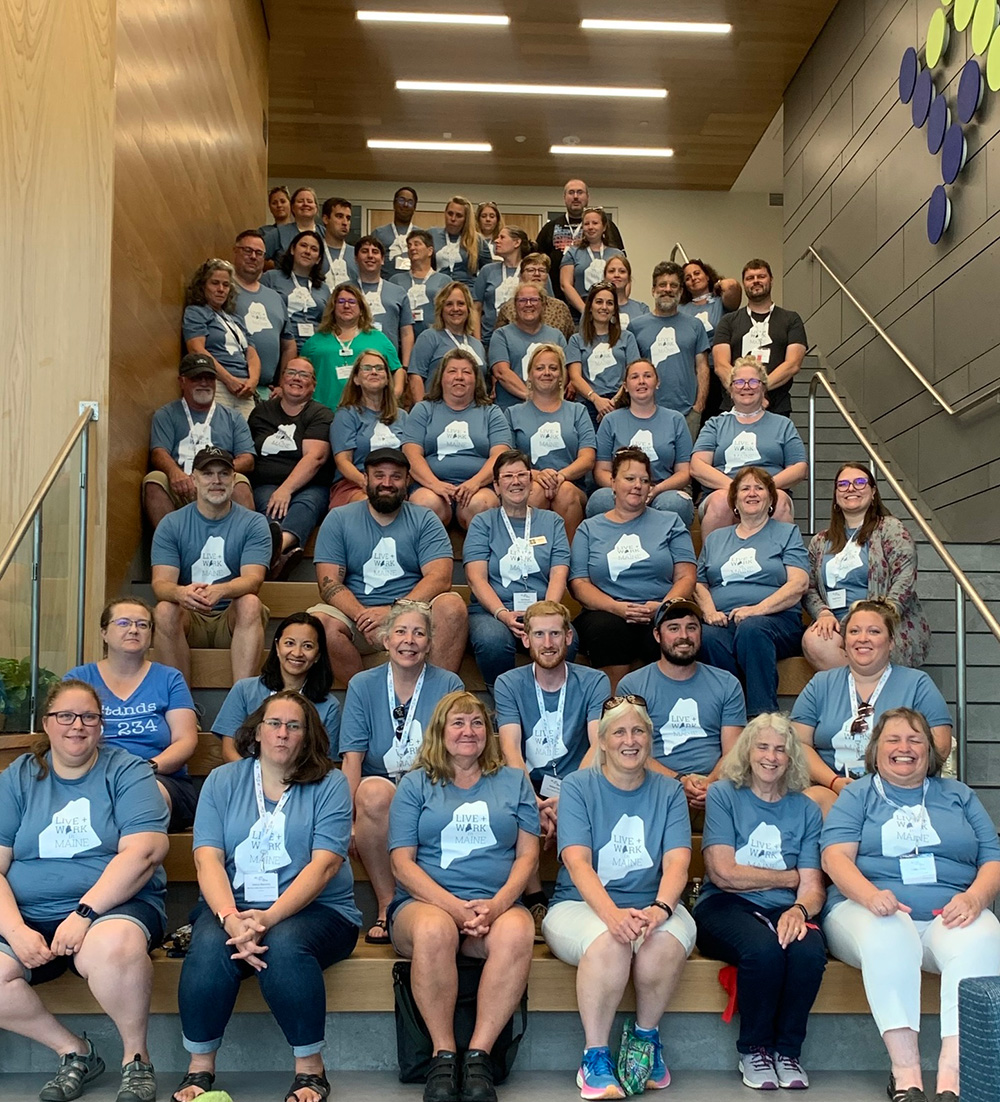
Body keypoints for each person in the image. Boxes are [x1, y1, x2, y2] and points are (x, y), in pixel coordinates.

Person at [171, 692, 360, 1102]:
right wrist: (229, 917)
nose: (283, 733)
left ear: (308, 737)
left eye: (295, 726)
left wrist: (266, 920)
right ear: (256, 731)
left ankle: (310, 1068)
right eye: (274, 723)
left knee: (285, 944)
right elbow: (207, 860)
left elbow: (325, 865)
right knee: (207, 943)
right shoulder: (223, 781)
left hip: (321, 910)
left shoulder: (330, 783)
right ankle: (200, 1067)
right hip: (233, 907)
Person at [0, 679, 168, 1102]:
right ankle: (75, 1052)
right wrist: (16, 930)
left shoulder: (126, 770)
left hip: (111, 907)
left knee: (114, 947)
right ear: (47, 723)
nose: (77, 726)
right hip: (29, 916)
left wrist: (85, 913)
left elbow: (145, 851)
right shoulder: (19, 776)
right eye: (66, 716)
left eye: (89, 717)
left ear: (101, 725)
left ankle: (136, 1060)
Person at [821, 707, 1000, 1102]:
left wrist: (974, 897)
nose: (905, 748)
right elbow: (835, 857)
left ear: (931, 751)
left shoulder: (959, 795)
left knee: (985, 933)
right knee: (890, 930)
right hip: (866, 909)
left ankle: (955, 1074)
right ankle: (906, 1073)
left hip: (946, 913)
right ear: (876, 749)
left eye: (915, 739)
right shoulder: (857, 794)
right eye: (894, 740)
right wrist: (870, 895)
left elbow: (993, 858)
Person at [387, 690, 539, 1102]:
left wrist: (499, 904)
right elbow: (402, 863)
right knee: (436, 930)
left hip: (496, 905)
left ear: (488, 734)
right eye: (458, 722)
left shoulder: (513, 781)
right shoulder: (414, 783)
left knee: (517, 932)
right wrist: (453, 908)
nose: (468, 731)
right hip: (424, 907)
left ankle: (479, 1056)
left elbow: (527, 857)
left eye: (477, 723)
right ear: (440, 731)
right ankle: (443, 1054)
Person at [542, 695, 694, 1100]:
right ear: (604, 741)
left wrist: (661, 908)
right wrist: (612, 915)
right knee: (611, 941)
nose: (630, 740)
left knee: (663, 942)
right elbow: (576, 862)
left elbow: (678, 863)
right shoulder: (578, 785)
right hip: (579, 905)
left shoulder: (668, 791)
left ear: (650, 738)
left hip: (654, 903)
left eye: (639, 730)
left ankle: (646, 1040)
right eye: (619, 732)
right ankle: (594, 1057)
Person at [695, 714, 826, 1091]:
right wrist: (789, 878)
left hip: (786, 908)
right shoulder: (723, 794)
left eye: (781, 749)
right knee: (764, 950)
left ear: (791, 758)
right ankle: (754, 1048)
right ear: (747, 752)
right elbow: (724, 873)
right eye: (763, 747)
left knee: (808, 951)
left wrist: (800, 909)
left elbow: (813, 887)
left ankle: (788, 1051)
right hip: (724, 904)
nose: (771, 757)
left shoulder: (805, 809)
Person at [339, 601, 463, 945]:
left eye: (419, 633)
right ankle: (387, 902)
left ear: (430, 642)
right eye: (401, 632)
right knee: (374, 793)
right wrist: (348, 819)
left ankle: (429, 900)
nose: (409, 640)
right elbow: (352, 758)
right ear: (385, 639)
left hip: (431, 786)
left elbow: (455, 756)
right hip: (382, 785)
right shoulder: (362, 685)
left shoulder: (448, 683)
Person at [494, 601, 609, 935]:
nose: (548, 643)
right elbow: (510, 750)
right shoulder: (508, 683)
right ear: (526, 639)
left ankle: (570, 895)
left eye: (555, 633)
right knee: (509, 791)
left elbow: (598, 743)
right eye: (539, 634)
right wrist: (534, 801)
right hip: (528, 782)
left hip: (579, 779)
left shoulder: (594, 681)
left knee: (604, 788)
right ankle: (533, 898)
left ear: (569, 637)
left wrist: (568, 797)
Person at [309, 446, 468, 679]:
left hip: (414, 611)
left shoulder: (425, 518)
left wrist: (394, 612)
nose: (387, 483)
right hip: (359, 615)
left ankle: (434, 700)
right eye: (379, 475)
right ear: (365, 479)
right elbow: (329, 582)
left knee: (452, 606)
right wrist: (364, 617)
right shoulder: (339, 519)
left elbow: (440, 577)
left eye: (396, 476)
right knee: (318, 623)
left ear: (407, 482)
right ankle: (365, 696)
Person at [791, 599, 952, 814]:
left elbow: (940, 744)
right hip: (834, 789)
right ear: (844, 640)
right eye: (854, 631)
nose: (863, 639)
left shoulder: (917, 684)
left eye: (874, 632)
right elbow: (798, 744)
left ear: (891, 641)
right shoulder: (821, 684)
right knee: (810, 804)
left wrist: (894, 780)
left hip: (899, 788)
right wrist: (833, 782)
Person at [66, 596, 199, 832]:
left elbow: (186, 740)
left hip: (159, 777)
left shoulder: (169, 679)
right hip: (92, 775)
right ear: (104, 633)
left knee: (142, 794)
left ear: (150, 634)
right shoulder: (80, 679)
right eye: (124, 623)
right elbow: (65, 735)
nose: (134, 630)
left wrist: (145, 768)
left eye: (142, 624)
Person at [570, 447, 697, 692]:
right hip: (606, 610)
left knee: (672, 629)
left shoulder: (671, 522)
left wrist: (662, 608)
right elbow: (579, 584)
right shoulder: (589, 528)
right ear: (612, 483)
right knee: (607, 629)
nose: (637, 485)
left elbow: (686, 576)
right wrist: (616, 607)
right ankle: (615, 706)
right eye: (630, 479)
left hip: (659, 607)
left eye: (644, 480)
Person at [694, 466, 809, 717]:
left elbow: (798, 583)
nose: (752, 493)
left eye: (759, 488)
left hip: (776, 620)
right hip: (725, 619)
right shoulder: (715, 539)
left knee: (752, 629)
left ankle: (762, 716)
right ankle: (732, 715)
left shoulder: (786, 533)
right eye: (745, 488)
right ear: (734, 499)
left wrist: (756, 610)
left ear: (770, 498)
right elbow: (699, 583)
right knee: (707, 637)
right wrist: (710, 611)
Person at [151, 446, 271, 686]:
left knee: (249, 602)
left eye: (224, 474)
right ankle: (180, 706)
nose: (216, 481)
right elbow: (160, 583)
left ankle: (242, 703)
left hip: (231, 617)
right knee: (164, 609)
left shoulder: (254, 523)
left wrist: (221, 590)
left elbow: (254, 580)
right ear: (194, 479)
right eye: (207, 474)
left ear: (234, 479)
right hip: (190, 617)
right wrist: (180, 593)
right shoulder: (172, 524)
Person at [617, 598, 745, 811]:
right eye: (673, 628)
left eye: (691, 628)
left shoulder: (727, 683)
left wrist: (709, 784)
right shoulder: (632, 686)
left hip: (715, 786)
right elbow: (632, 750)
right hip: (654, 785)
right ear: (657, 635)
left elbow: (733, 752)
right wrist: (678, 781)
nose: (683, 636)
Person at [803, 462, 930, 670]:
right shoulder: (820, 541)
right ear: (836, 496)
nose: (851, 488)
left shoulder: (889, 528)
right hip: (837, 625)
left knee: (868, 636)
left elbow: (905, 574)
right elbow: (808, 586)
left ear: (873, 493)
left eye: (860, 482)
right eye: (843, 484)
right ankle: (864, 695)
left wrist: (883, 613)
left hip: (884, 621)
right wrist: (822, 613)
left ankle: (867, 695)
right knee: (815, 640)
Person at [463, 450, 572, 687]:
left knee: (566, 637)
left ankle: (549, 692)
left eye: (522, 475)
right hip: (492, 611)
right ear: (496, 486)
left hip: (543, 607)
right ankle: (501, 697)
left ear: (531, 483)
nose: (516, 481)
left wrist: (546, 614)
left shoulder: (552, 522)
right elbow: (475, 578)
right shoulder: (483, 522)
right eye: (508, 476)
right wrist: (502, 613)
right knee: (492, 640)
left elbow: (559, 573)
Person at [692, 356, 807, 537]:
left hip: (771, 491)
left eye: (753, 381)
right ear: (730, 389)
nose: (746, 386)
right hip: (723, 491)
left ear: (763, 388)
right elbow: (698, 465)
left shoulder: (782, 425)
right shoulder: (715, 424)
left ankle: (782, 563)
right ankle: (711, 564)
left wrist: (764, 489)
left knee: (779, 501)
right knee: (721, 502)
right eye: (739, 382)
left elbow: (799, 468)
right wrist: (736, 488)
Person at [212, 611, 342, 764]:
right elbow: (229, 751)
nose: (297, 653)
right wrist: (257, 780)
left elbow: (325, 761)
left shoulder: (329, 706)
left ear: (318, 655)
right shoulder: (244, 690)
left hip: (303, 783)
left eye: (307, 646)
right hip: (248, 782)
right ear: (277, 647)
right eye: (289, 643)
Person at [143, 353, 256, 527]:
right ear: (182, 381)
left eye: (209, 378)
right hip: (182, 484)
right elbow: (158, 453)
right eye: (197, 378)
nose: (204, 383)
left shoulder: (233, 418)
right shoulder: (166, 414)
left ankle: (249, 548)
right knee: (154, 480)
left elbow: (247, 459)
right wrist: (175, 473)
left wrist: (215, 476)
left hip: (220, 483)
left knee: (240, 482)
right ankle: (169, 547)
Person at [402, 351, 513, 527]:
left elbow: (500, 456)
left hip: (480, 488)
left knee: (481, 505)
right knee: (425, 503)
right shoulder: (423, 409)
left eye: (467, 372)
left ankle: (478, 555)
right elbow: (411, 454)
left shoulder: (491, 412)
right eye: (452, 371)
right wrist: (435, 484)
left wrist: (474, 483)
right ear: (441, 378)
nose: (459, 377)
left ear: (476, 379)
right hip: (430, 487)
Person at [247, 358, 333, 578]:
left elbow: (315, 458)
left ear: (313, 385)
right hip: (266, 483)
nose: (297, 378)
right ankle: (280, 556)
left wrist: (286, 489)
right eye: (291, 372)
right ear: (281, 380)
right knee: (270, 506)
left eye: (304, 375)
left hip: (311, 484)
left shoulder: (321, 414)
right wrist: (280, 491)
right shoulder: (261, 413)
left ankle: (273, 550)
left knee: (306, 504)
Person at [588, 360, 694, 526]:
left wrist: (656, 489)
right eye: (635, 377)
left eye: (647, 376)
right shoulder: (610, 421)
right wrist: (625, 489)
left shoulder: (676, 420)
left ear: (657, 383)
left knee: (676, 504)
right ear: (625, 386)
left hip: (662, 490)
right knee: (600, 500)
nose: (641, 381)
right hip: (621, 490)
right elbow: (601, 470)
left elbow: (684, 472)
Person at [511, 346, 598, 537]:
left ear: (561, 376)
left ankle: (569, 562)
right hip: (528, 483)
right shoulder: (512, 413)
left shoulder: (578, 411)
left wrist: (561, 476)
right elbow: (506, 460)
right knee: (534, 492)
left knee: (565, 492)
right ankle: (528, 559)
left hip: (571, 485)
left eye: (553, 368)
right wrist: (535, 475)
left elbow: (588, 458)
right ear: (530, 375)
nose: (546, 373)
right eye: (540, 368)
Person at [713, 259, 807, 418]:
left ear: (771, 280)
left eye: (761, 276)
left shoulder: (791, 319)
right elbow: (720, 365)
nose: (756, 281)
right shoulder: (728, 321)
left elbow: (793, 364)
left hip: (776, 406)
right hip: (733, 408)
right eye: (750, 278)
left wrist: (759, 390)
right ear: (744, 284)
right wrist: (744, 392)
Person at [630, 262, 710, 442]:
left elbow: (702, 367)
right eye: (662, 285)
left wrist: (699, 407)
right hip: (647, 411)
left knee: (685, 467)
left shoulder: (695, 325)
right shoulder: (636, 327)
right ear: (653, 290)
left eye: (673, 285)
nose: (668, 289)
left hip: (688, 413)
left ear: (681, 291)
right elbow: (631, 372)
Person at [302, 283, 403, 409]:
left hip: (368, 414)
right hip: (324, 412)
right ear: (333, 308)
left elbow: (397, 370)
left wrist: (393, 396)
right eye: (341, 301)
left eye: (352, 302)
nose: (346, 305)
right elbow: (300, 372)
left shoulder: (378, 339)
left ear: (361, 309)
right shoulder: (316, 341)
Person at [329, 348, 408, 508]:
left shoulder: (403, 416)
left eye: (379, 368)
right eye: (367, 368)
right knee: (369, 505)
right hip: (355, 484)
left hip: (397, 486)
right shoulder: (346, 415)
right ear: (356, 379)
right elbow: (343, 461)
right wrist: (366, 482)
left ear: (387, 379)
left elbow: (412, 458)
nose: (374, 372)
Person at [183, 259, 261, 419]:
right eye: (215, 283)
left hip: (245, 389)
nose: (221, 289)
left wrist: (252, 382)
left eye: (226, 285)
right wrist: (229, 379)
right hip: (217, 384)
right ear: (203, 285)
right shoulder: (196, 313)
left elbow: (252, 353)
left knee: (246, 439)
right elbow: (197, 350)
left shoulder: (236, 319)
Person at [536, 180, 625, 302]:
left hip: (604, 303)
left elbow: (623, 269)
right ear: (564, 197)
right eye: (571, 193)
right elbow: (537, 263)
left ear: (587, 197)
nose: (576, 197)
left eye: (580, 192)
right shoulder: (550, 228)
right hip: (557, 300)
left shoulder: (609, 227)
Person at [567, 281, 641, 426]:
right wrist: (596, 400)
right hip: (588, 404)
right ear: (590, 307)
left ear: (614, 309)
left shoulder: (627, 338)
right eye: (599, 302)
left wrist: (613, 403)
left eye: (609, 303)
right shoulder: (576, 340)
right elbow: (575, 377)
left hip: (620, 404)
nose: (604, 307)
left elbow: (633, 373)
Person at [232, 230, 297, 393]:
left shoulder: (275, 297)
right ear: (235, 251)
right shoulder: (223, 290)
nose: (253, 256)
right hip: (230, 384)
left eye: (259, 253)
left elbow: (289, 345)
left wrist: (282, 385)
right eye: (247, 251)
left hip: (264, 390)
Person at [679, 259, 742, 424]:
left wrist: (719, 284)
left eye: (697, 273)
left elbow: (733, 286)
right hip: (693, 372)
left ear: (707, 276)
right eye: (687, 277)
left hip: (718, 370)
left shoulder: (721, 302)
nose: (693, 278)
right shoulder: (681, 309)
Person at [488, 283, 568, 410]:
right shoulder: (501, 335)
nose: (528, 304)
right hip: (510, 408)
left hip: (550, 409)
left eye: (534, 300)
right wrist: (532, 397)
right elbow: (501, 372)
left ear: (543, 304)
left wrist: (549, 401)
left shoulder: (556, 336)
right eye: (522, 300)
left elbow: (563, 373)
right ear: (515, 305)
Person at [408, 282, 487, 404]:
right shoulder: (429, 337)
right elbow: (415, 377)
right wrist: (423, 413)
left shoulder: (477, 344)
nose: (455, 309)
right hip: (437, 411)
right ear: (441, 309)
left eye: (460, 304)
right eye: (449, 304)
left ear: (468, 309)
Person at [260, 230, 330, 353]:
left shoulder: (323, 288)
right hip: (281, 347)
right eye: (303, 246)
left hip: (315, 349)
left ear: (318, 259)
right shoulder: (271, 278)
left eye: (314, 249)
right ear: (292, 249)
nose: (307, 252)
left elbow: (328, 322)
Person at [353, 234, 415, 365]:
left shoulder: (398, 292)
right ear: (355, 258)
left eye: (375, 252)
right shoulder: (344, 291)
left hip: (389, 364)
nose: (370, 256)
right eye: (364, 251)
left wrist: (405, 367)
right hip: (351, 361)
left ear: (382, 260)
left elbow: (406, 333)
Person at [472, 226, 532, 351]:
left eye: (502, 237)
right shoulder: (487, 271)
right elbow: (476, 308)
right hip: (489, 339)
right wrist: (477, 341)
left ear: (516, 242)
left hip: (524, 338)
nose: (496, 241)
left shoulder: (533, 271)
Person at [559, 208, 625, 319]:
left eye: (595, 223)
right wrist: (585, 311)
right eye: (586, 224)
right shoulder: (573, 252)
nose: (590, 227)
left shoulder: (616, 254)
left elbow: (625, 284)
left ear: (604, 227)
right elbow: (565, 285)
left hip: (609, 312)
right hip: (579, 314)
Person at [494, 253, 574, 341]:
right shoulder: (508, 308)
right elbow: (499, 339)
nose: (537, 274)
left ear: (547, 277)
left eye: (542, 270)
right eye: (531, 270)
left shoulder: (560, 308)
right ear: (521, 276)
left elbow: (569, 339)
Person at [390, 230, 450, 340]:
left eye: (417, 244)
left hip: (435, 339)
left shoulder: (444, 281)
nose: (412, 248)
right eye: (409, 246)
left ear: (430, 251)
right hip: (401, 340)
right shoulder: (396, 281)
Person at [428, 195, 487, 289]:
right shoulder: (432, 235)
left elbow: (488, 273)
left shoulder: (477, 240)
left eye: (459, 215)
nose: (453, 219)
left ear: (466, 219)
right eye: (450, 213)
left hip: (468, 293)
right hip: (439, 291)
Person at [373, 186, 423, 279]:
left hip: (414, 285)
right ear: (394, 204)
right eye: (401, 200)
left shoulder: (421, 235)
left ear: (415, 207)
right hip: (386, 285)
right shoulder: (379, 233)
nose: (405, 204)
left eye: (410, 202)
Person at [318, 196, 359, 290]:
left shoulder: (357, 255)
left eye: (348, 218)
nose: (345, 222)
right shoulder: (314, 252)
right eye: (339, 216)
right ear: (325, 219)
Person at [603, 255, 649, 331]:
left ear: (628, 278)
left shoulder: (642, 309)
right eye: (611, 271)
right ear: (605, 277)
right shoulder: (594, 309)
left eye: (622, 271)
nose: (616, 275)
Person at [260, 185, 293, 263]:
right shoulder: (264, 232)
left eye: (283, 201)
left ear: (290, 204)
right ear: (270, 208)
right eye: (274, 203)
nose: (279, 205)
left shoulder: (299, 231)